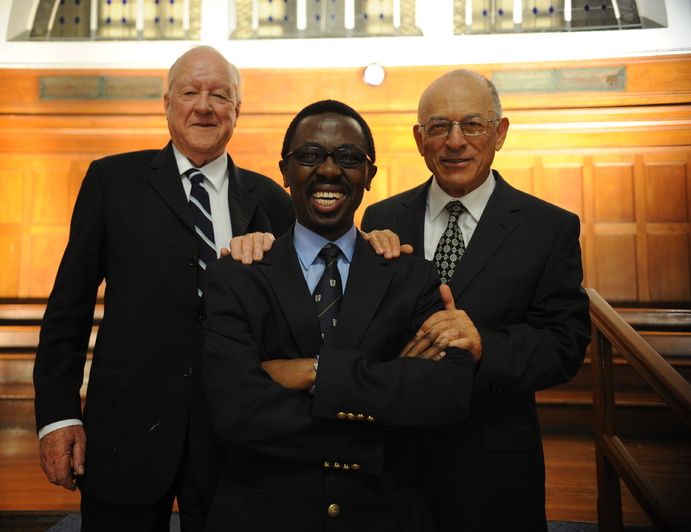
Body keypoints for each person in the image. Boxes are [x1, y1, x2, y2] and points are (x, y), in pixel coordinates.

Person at [32, 46, 296, 532]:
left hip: (233, 440)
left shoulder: (272, 202)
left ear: (237, 109)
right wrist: (57, 417)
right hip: (126, 430)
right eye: (190, 92)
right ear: (167, 102)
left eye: (219, 94)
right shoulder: (112, 181)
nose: (204, 105)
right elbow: (67, 308)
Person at [201, 99, 477, 531]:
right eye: (310, 156)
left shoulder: (412, 275)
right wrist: (377, 418)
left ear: (369, 175)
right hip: (264, 514)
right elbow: (235, 412)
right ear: (284, 169)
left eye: (348, 158)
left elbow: (446, 394)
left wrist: (315, 372)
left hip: (385, 515)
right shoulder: (235, 277)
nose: (329, 171)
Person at [361, 69, 591, 532]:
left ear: (500, 133)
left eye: (473, 124)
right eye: (439, 127)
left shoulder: (548, 228)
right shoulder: (381, 219)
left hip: (493, 468)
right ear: (419, 139)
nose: (455, 140)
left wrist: (483, 344)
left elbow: (565, 344)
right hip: (392, 463)